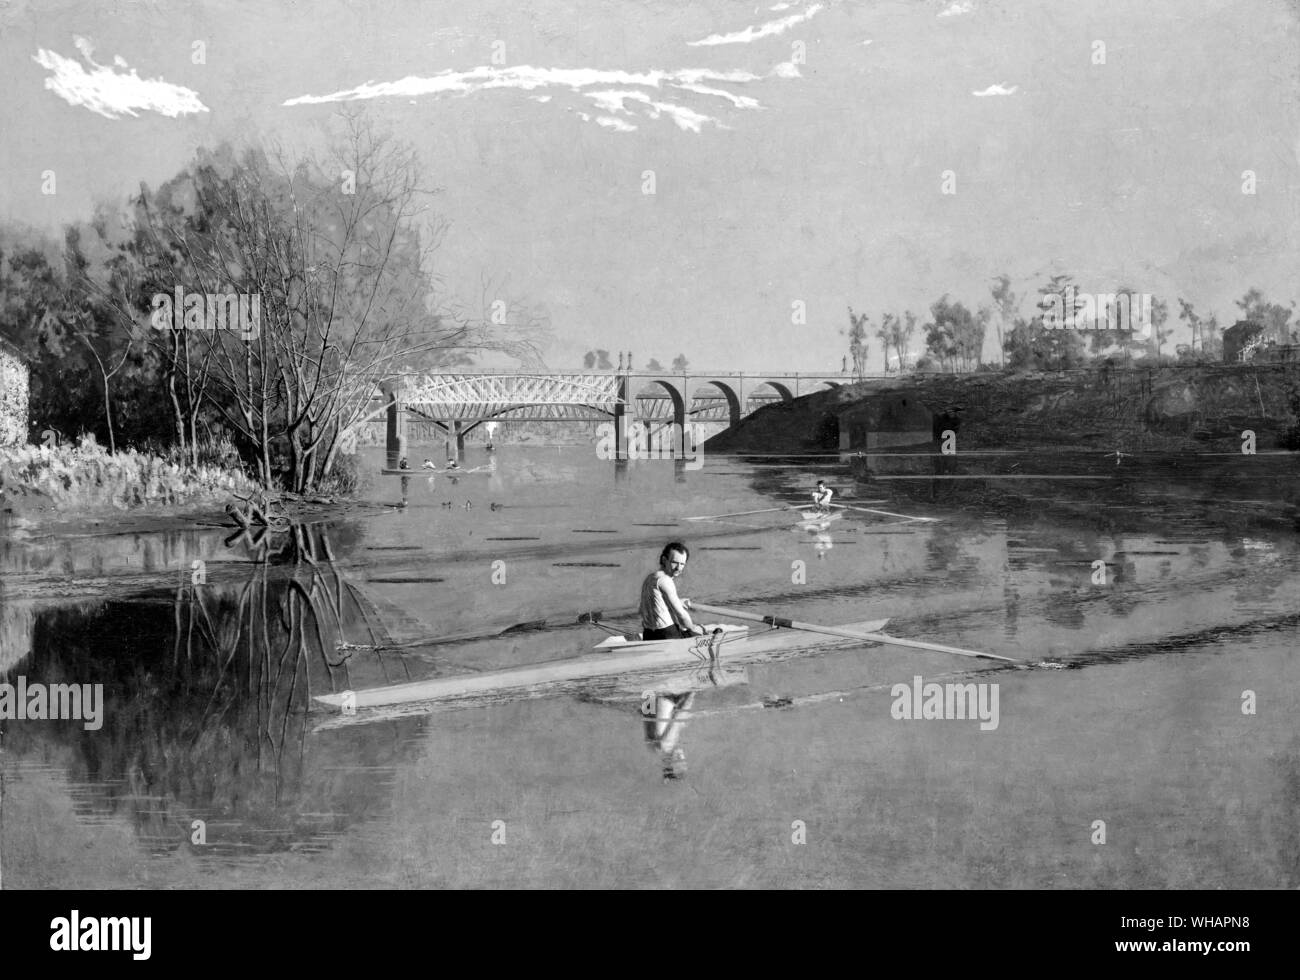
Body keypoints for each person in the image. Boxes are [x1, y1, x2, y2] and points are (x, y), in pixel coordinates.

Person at [639, 542, 705, 640]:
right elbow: (681, 615)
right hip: (667, 635)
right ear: (664, 560)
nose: (679, 568)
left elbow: (648, 607)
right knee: (701, 631)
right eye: (675, 562)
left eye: (682, 564)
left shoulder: (650, 578)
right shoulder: (665, 580)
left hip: (648, 635)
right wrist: (693, 629)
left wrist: (678, 601)